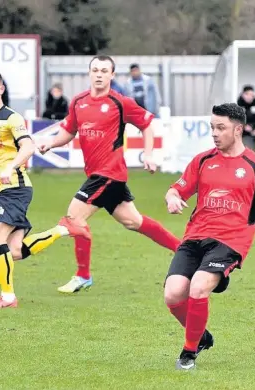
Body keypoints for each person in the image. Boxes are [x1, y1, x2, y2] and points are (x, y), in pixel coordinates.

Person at [30, 55, 182, 293]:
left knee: (73, 217)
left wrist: (149, 154)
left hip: (109, 174)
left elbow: (147, 125)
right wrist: (49, 144)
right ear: (89, 73)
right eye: (95, 70)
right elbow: (68, 132)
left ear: (112, 75)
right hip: (98, 175)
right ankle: (183, 249)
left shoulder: (120, 102)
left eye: (104, 71)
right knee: (134, 221)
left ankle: (83, 275)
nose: (99, 74)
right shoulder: (78, 102)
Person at [164, 103, 255, 370]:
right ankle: (202, 336)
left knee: (198, 286)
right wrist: (172, 199)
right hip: (195, 236)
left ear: (238, 130)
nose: (215, 134)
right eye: (212, 128)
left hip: (232, 239)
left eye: (221, 128)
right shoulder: (203, 160)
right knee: (173, 295)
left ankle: (189, 352)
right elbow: (176, 190)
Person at [0, 70, 85, 309]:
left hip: (15, 187)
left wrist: (10, 167)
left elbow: (28, 147)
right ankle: (62, 229)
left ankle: (7, 297)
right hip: (2, 189)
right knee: (13, 251)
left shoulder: (12, 118)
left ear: (1, 89)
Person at [236, 85, 255, 157]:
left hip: (254, 128)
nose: (249, 97)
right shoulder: (238, 104)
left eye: (251, 95)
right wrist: (244, 125)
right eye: (247, 94)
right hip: (243, 128)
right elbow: (236, 119)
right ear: (243, 94)